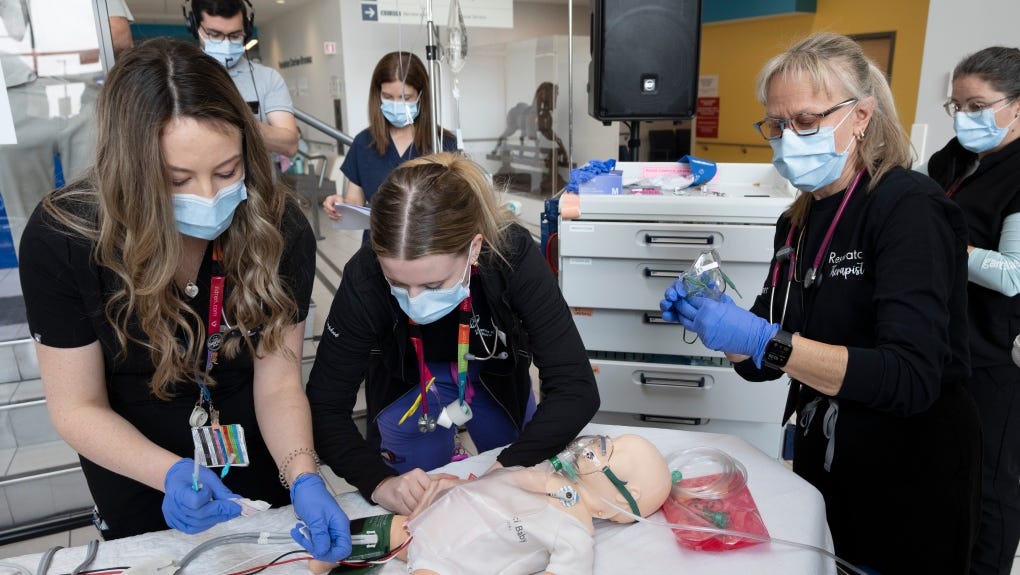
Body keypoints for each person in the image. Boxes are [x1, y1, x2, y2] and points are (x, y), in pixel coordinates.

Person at [16, 39, 350, 562]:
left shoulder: (277, 227)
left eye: (227, 171)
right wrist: (168, 473)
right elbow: (76, 406)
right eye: (175, 181)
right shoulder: (65, 237)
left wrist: (304, 474)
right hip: (137, 475)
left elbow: (279, 382)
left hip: (258, 458)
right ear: (129, 170)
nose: (207, 196)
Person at [659, 32, 981, 573]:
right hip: (826, 462)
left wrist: (762, 340)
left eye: (806, 121)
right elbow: (765, 362)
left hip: (908, 475)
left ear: (861, 116)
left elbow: (909, 376)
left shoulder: (908, 208)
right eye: (777, 125)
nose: (788, 138)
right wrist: (722, 326)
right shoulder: (799, 220)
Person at [307, 152, 600, 516]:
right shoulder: (365, 275)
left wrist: (502, 472)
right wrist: (380, 483)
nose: (413, 301)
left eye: (433, 284)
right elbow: (324, 406)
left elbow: (576, 389)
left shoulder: (512, 254)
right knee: (417, 501)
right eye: (396, 283)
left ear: (474, 247)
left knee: (518, 488)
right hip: (410, 381)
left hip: (491, 374)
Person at [306, 433, 672, 575]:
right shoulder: (549, 475)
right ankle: (329, 553)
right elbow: (500, 482)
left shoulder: (576, 532)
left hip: (449, 562)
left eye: (617, 450)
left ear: (625, 502)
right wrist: (454, 486)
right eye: (612, 439)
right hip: (427, 519)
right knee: (389, 530)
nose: (603, 443)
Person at [926, 46, 1020, 575]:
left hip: (995, 355)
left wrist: (944, 244)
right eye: (956, 106)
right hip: (945, 345)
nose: (964, 118)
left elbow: (1012, 274)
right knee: (947, 473)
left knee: (990, 485)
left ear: (1018, 107)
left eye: (977, 106)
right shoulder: (955, 158)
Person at [321, 51, 457, 229]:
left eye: (405, 98)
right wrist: (340, 206)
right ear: (378, 95)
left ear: (421, 96)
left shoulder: (443, 143)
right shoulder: (364, 142)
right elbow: (355, 202)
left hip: (427, 246)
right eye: (387, 97)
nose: (396, 105)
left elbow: (458, 206)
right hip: (377, 245)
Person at [184, 0, 299, 157]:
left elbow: (289, 145)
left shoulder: (268, 78)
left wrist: (234, 122)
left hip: (258, 181)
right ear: (194, 26)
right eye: (215, 35)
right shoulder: (178, 76)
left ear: (246, 31)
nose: (226, 43)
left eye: (235, 35)